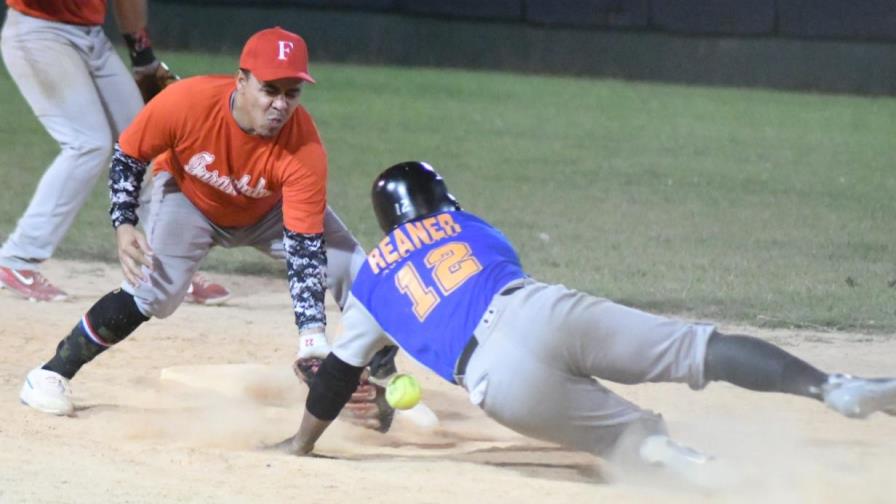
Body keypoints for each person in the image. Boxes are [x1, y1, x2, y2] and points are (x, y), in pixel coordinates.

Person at [277, 161, 896, 477]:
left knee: (632, 442)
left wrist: (301, 443)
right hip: (543, 310)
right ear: (442, 203)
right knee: (701, 350)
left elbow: (335, 377)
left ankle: (705, 471)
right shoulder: (474, 227)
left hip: (498, 379)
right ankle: (835, 388)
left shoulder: (373, 286)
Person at [18, 27, 396, 430]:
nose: (280, 105)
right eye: (269, 89)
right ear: (241, 81)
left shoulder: (305, 149)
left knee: (362, 273)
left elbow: (305, 249)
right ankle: (51, 373)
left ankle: (375, 385)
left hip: (270, 212)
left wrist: (312, 340)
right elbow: (129, 156)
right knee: (152, 294)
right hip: (188, 199)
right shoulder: (187, 103)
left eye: (292, 93)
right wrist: (124, 222)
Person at [0, 0, 229, 304]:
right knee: (87, 143)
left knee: (145, 145)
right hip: (38, 32)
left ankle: (166, 267)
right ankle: (18, 258)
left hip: (93, 38)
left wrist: (143, 56)